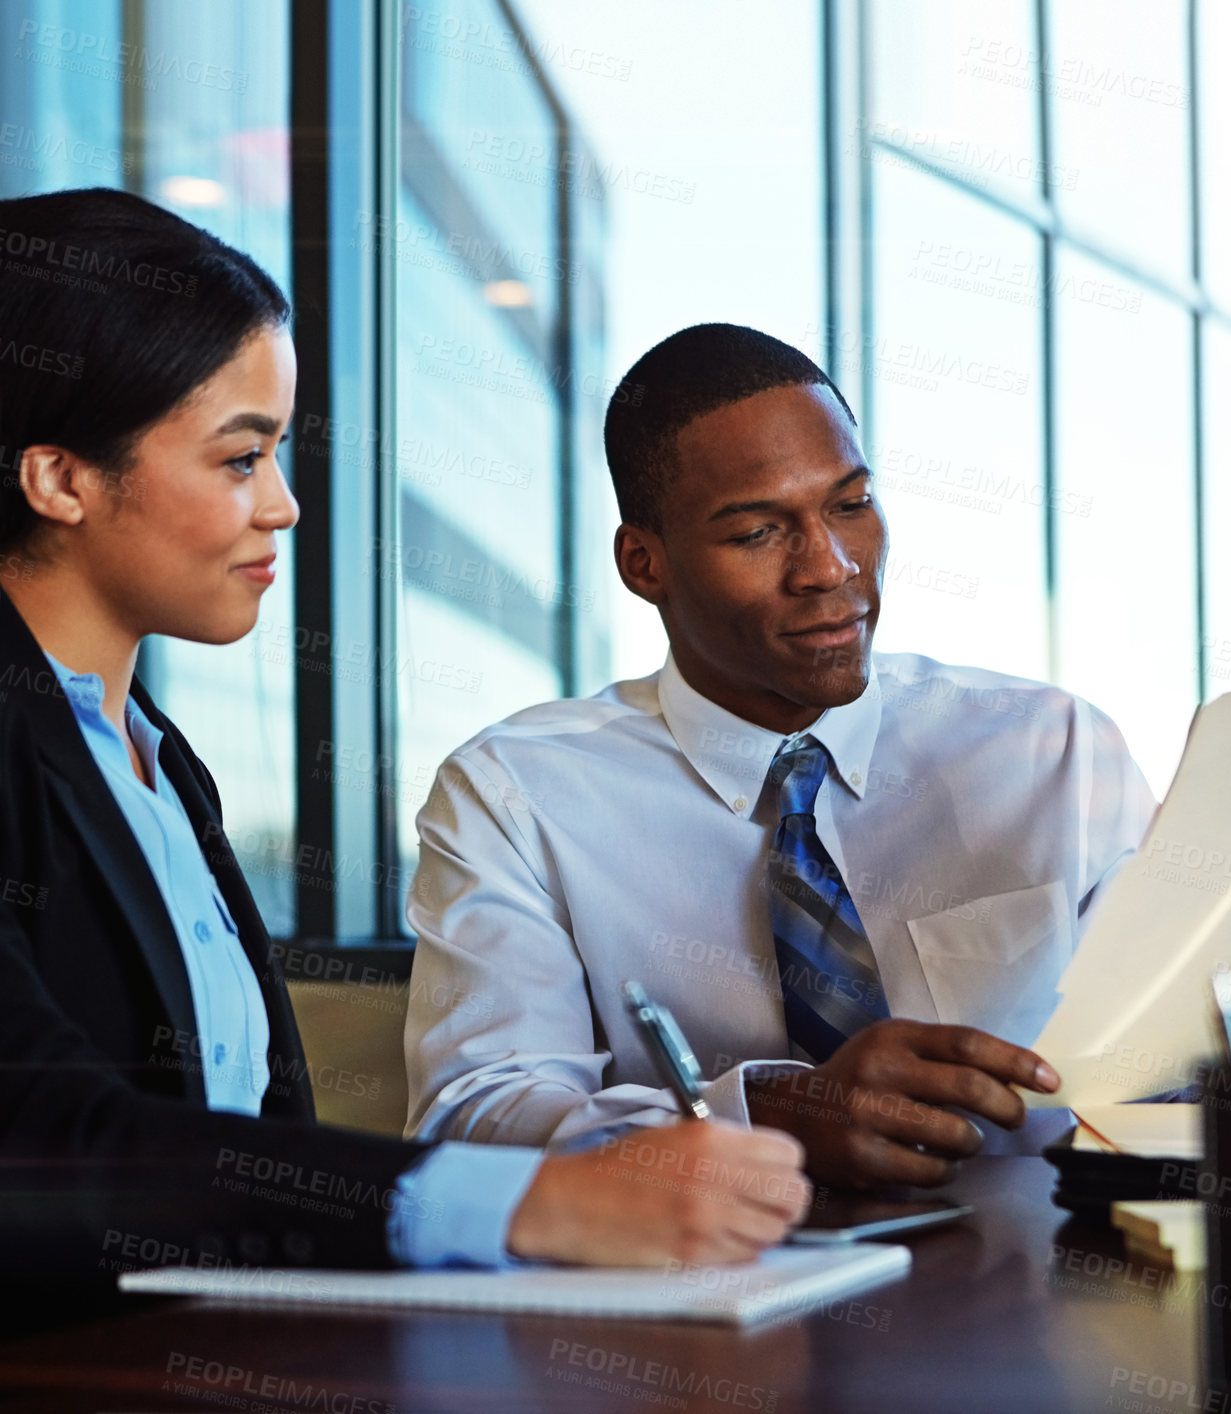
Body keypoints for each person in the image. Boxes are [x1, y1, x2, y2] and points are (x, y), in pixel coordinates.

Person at [0, 193, 808, 1281]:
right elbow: (37, 1136)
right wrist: (537, 1200)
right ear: (60, 478)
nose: (283, 506)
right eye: (241, 459)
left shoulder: (157, 762)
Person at [404, 322, 1158, 1187]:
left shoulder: (1055, 752)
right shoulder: (516, 794)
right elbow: (471, 1117)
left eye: (849, 505)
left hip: (1038, 1276)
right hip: (702, 1297)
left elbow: (1175, 1070)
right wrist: (767, 1118)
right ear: (644, 563)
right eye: (760, 532)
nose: (830, 568)